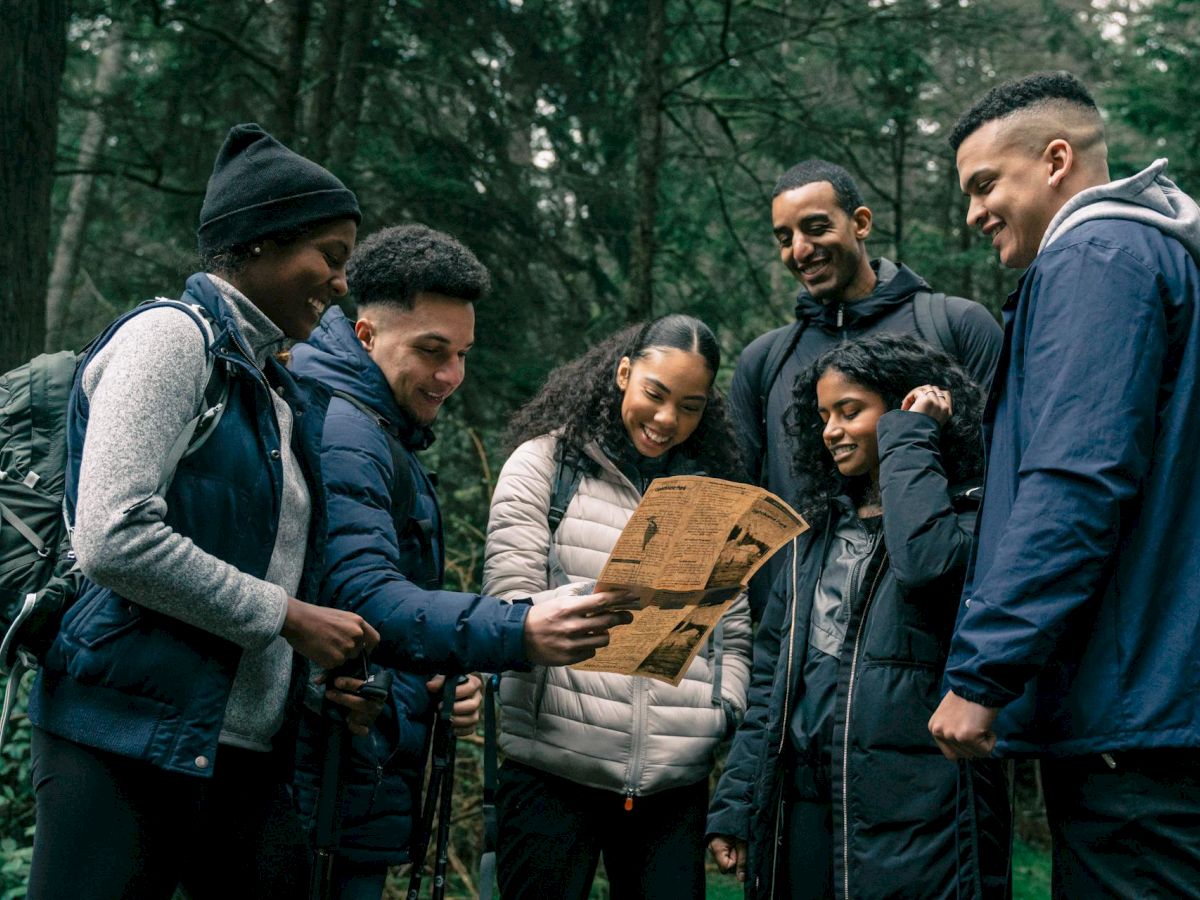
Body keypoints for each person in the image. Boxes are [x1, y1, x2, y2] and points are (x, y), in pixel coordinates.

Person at [25, 123, 381, 899]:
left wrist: (315, 676)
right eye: (330, 255)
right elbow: (112, 536)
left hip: (237, 753)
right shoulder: (169, 341)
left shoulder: (276, 391)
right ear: (259, 242)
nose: (340, 282)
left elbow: (265, 560)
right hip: (118, 734)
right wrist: (289, 618)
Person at [289, 224, 635, 898]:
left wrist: (435, 674)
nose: (451, 375)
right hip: (318, 781)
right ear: (366, 336)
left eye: (462, 353)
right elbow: (363, 596)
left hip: (351, 774)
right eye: (431, 351)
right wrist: (519, 629)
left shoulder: (379, 426)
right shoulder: (348, 431)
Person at [929, 71, 1200, 896]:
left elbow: (1076, 481)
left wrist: (982, 672)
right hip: (1158, 710)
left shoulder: (1096, 260)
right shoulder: (1156, 262)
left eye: (984, 184)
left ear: (1055, 160)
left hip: (1134, 725)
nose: (973, 213)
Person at [708, 333, 1010, 899]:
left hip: (916, 813)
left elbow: (924, 564)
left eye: (851, 411)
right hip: (803, 811)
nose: (831, 431)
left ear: (901, 410)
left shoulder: (971, 514)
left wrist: (912, 436)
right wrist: (737, 804)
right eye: (823, 416)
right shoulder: (810, 538)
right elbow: (771, 683)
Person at [483, 315, 752, 900]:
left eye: (690, 406)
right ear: (624, 374)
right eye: (655, 395)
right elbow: (506, 608)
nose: (666, 420)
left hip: (672, 783)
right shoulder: (544, 465)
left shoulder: (709, 491)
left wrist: (722, 707)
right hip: (552, 770)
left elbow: (732, 626)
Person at [730, 159, 1002, 617]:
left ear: (860, 222)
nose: (800, 250)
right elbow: (735, 504)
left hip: (931, 625)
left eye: (816, 228)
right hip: (799, 641)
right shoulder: (764, 361)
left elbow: (1006, 478)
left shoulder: (955, 326)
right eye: (784, 238)